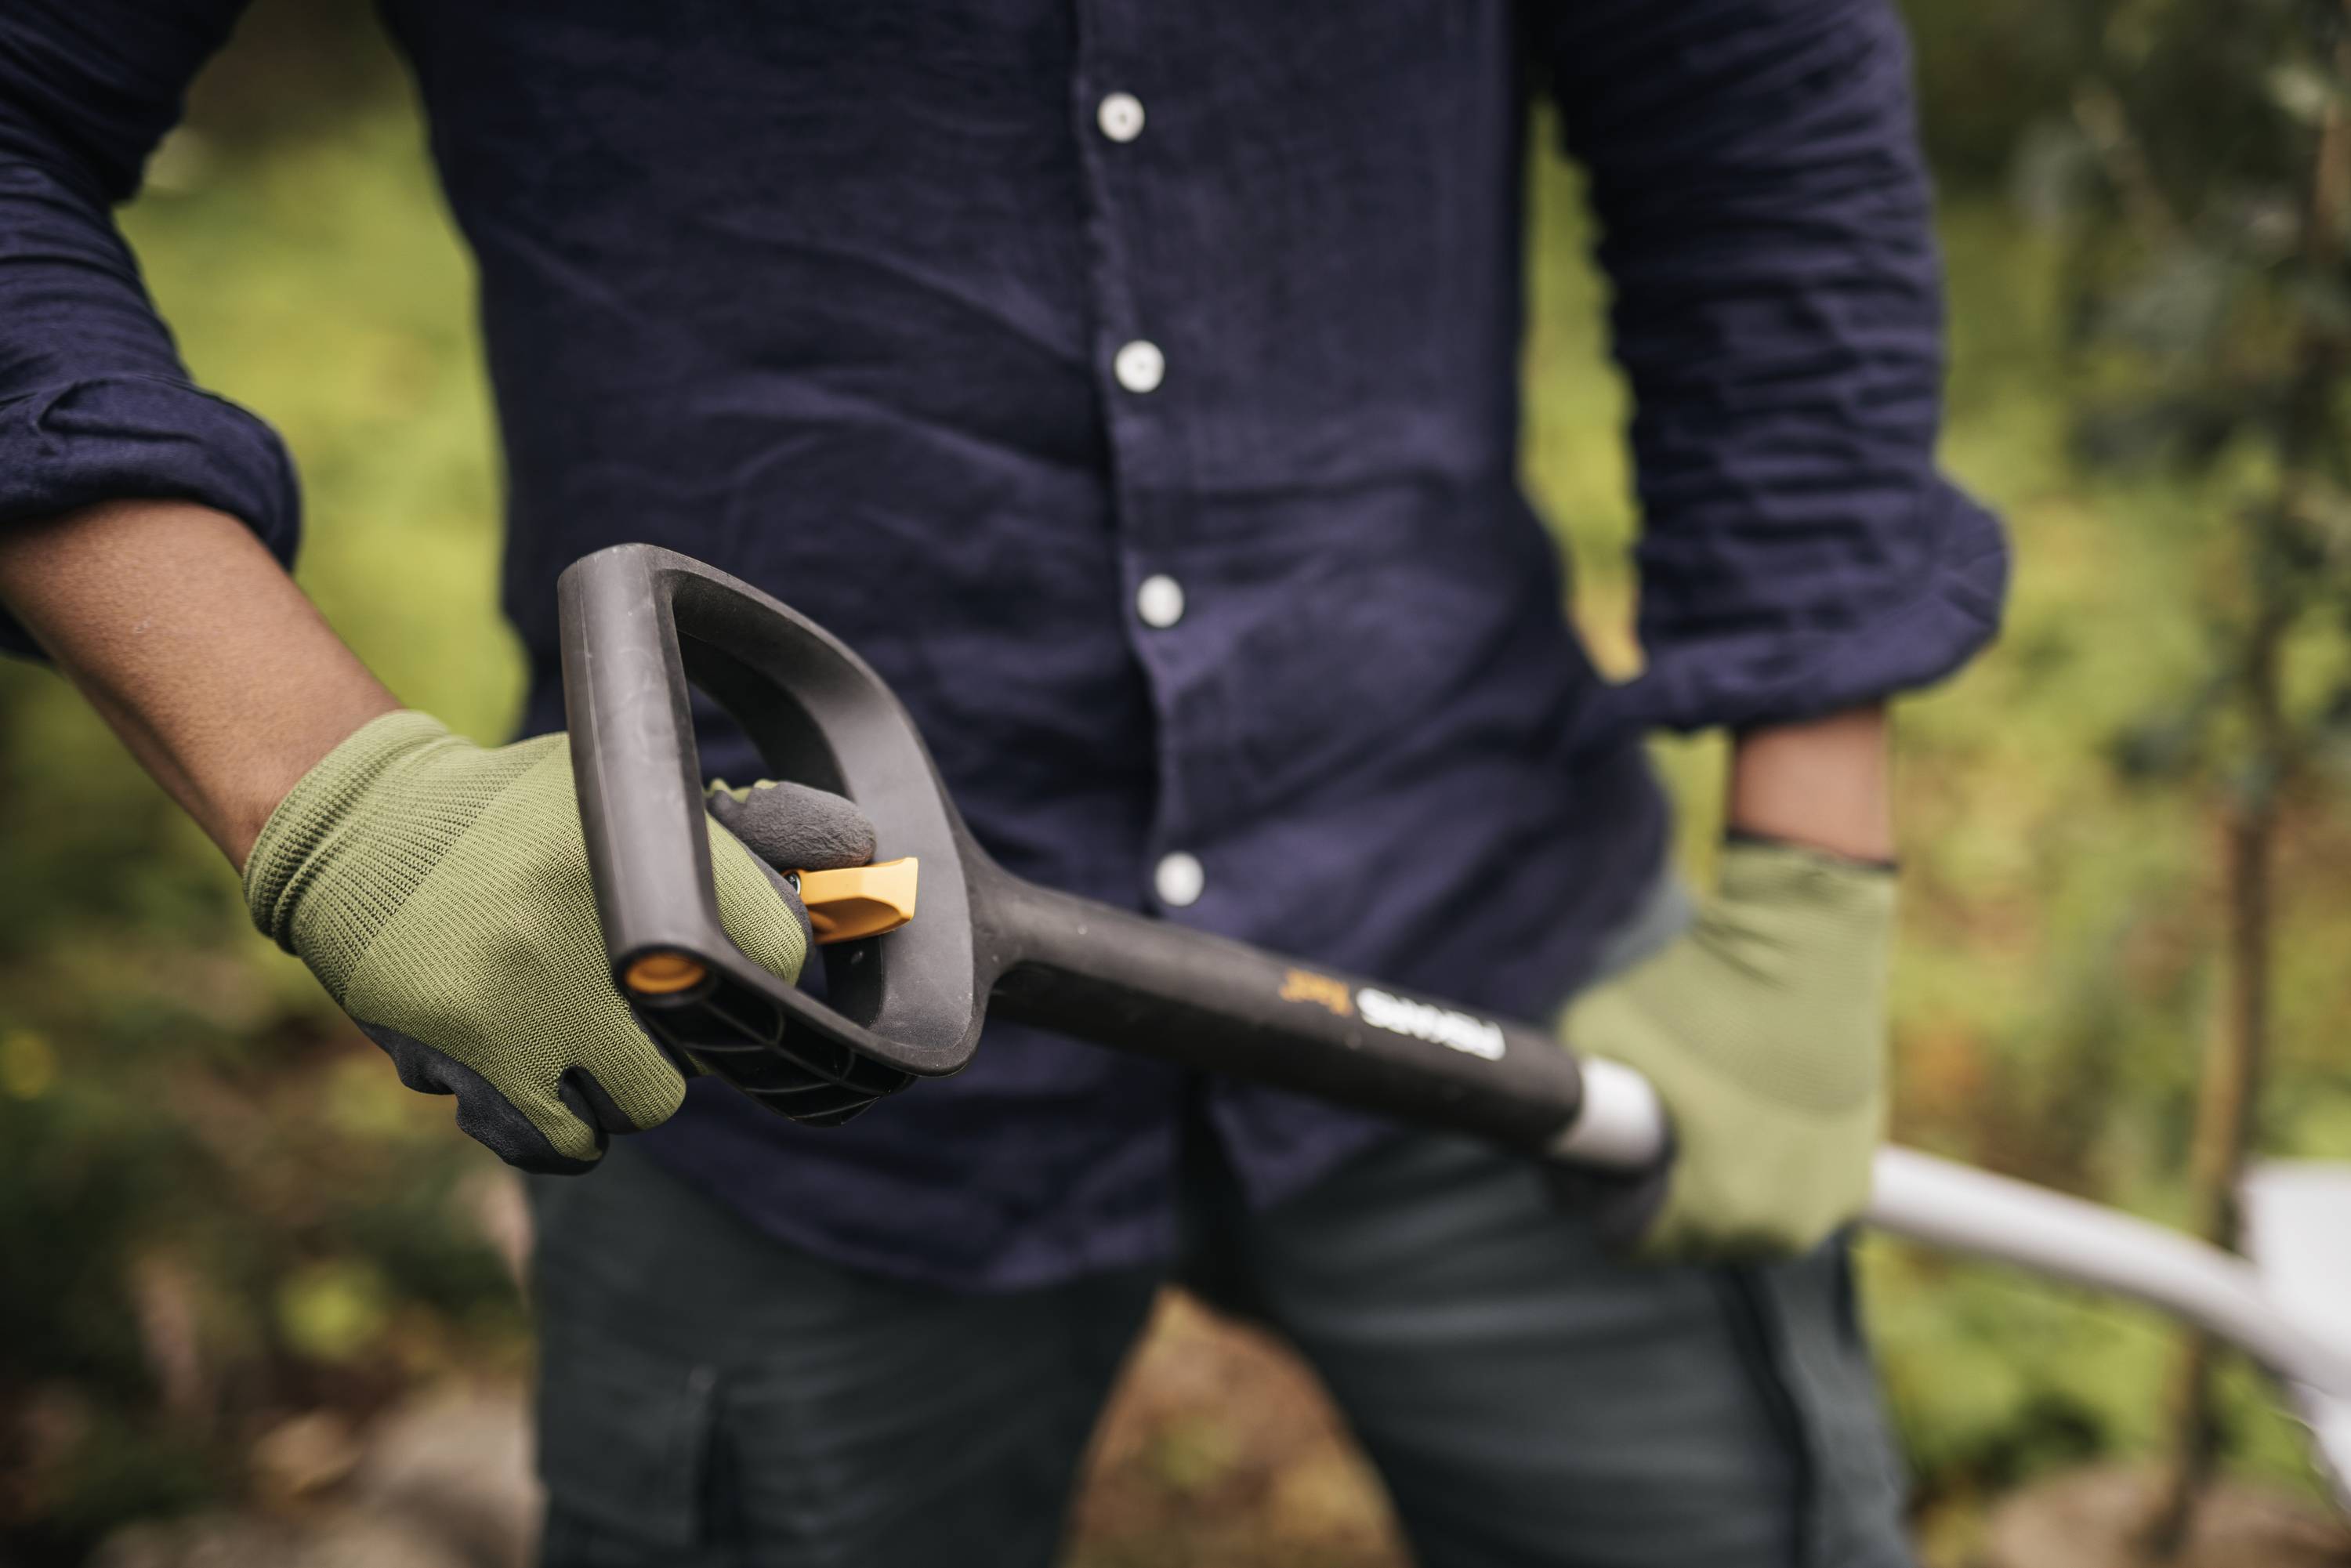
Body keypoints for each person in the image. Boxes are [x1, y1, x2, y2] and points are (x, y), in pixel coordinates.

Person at [0, 2, 2007, 1563]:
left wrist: (1812, 865)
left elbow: (1761, 133)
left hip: (1481, 921)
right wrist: (329, 791)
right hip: (772, 1008)